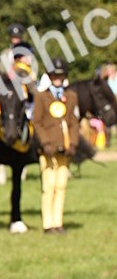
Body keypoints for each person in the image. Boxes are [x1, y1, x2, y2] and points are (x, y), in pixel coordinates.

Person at [33, 57, 80, 234]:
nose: (57, 78)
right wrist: (45, 142)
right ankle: (48, 224)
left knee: (61, 185)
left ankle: (58, 222)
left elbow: (74, 122)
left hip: (65, 148)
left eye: (60, 75)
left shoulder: (72, 96)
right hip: (47, 149)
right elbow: (37, 122)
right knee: (49, 185)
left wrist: (73, 143)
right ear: (49, 76)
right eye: (54, 75)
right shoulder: (41, 96)